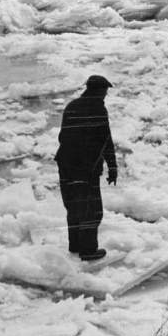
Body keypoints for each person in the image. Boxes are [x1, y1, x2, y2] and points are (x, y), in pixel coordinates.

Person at [55, 75, 118, 261]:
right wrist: (112, 167)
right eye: (105, 91)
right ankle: (89, 250)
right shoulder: (98, 108)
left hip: (66, 164)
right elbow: (106, 140)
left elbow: (63, 137)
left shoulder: (71, 106)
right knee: (92, 210)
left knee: (74, 207)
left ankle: (75, 245)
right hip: (86, 168)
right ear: (98, 90)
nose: (106, 95)